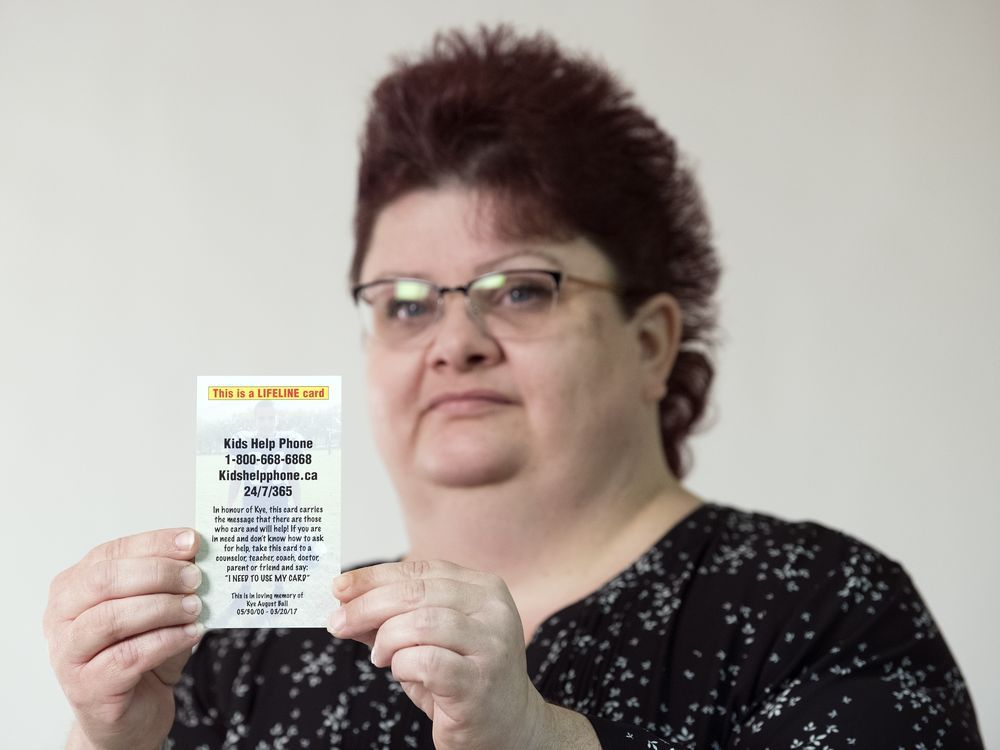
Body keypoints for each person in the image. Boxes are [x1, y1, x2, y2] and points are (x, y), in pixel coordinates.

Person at [44, 24, 984, 749]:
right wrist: (107, 741)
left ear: (651, 342)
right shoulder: (239, 666)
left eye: (521, 290)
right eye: (405, 304)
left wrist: (537, 740)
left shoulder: (824, 611)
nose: (454, 342)